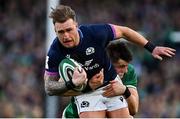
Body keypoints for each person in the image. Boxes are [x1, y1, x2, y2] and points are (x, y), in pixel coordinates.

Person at [44, 5, 175, 118]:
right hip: (87, 93)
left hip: (112, 84)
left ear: (76, 26)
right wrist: (72, 83)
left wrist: (151, 48)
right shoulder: (55, 52)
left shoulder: (95, 33)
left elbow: (125, 31)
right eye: (60, 32)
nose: (66, 36)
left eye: (69, 30)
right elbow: (49, 87)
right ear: (55, 31)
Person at [62, 41, 139, 118]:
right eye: (120, 66)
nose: (125, 70)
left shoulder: (129, 71)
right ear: (107, 63)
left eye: (126, 66)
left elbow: (133, 110)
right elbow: (62, 92)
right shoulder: (86, 70)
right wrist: (88, 87)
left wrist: (125, 91)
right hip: (75, 115)